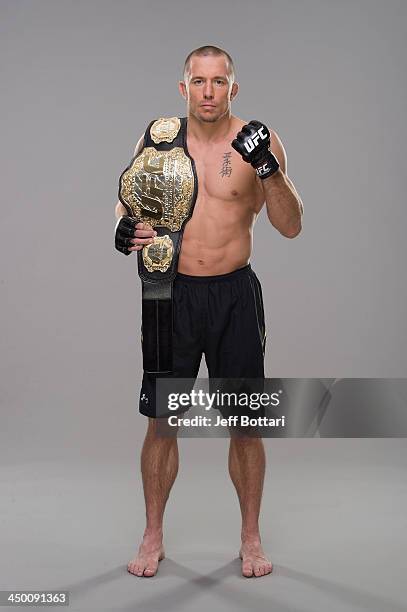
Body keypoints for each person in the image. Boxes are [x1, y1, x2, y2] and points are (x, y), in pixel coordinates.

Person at [114, 45, 303, 578]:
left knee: (245, 425)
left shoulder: (257, 142)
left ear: (233, 89)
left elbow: (290, 224)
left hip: (234, 296)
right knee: (162, 422)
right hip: (168, 294)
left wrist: (267, 169)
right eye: (199, 82)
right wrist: (123, 231)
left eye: (219, 82)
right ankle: (152, 535)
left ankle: (251, 538)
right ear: (183, 88)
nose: (209, 92)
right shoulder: (158, 139)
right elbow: (129, 208)